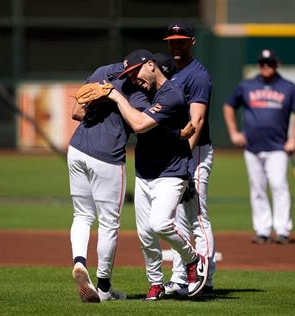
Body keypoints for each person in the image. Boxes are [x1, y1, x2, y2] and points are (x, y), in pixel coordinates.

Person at [68, 59, 195, 303]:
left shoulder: (101, 70)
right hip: (107, 157)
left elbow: (76, 112)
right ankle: (104, 288)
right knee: (108, 224)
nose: (135, 78)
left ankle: (79, 262)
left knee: (82, 216)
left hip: (76, 150)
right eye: (134, 73)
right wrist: (177, 133)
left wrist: (101, 101)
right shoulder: (137, 92)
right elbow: (141, 125)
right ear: (143, 66)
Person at [107, 48, 209, 300]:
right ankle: (156, 283)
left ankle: (192, 259)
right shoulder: (140, 91)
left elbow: (140, 125)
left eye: (136, 71)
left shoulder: (172, 95)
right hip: (144, 171)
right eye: (128, 74)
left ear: (151, 66)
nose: (133, 78)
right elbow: (154, 130)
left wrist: (117, 98)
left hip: (171, 171)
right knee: (145, 234)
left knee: (159, 223)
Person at [223, 49, 295, 245]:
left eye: (269, 63)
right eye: (262, 63)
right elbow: (228, 106)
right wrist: (234, 132)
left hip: (277, 146)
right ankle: (262, 230)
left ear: (277, 64)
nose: (265, 66)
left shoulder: (288, 87)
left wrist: (293, 138)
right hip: (252, 146)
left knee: (279, 186)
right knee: (257, 189)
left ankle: (283, 229)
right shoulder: (247, 85)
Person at [162, 21, 216, 296]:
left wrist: (184, 161)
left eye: (181, 40)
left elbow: (197, 121)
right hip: (177, 154)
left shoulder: (198, 76)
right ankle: (181, 277)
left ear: (192, 42)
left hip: (193, 152)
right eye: (172, 40)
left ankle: (205, 278)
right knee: (176, 218)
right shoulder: (171, 72)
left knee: (197, 216)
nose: (176, 45)